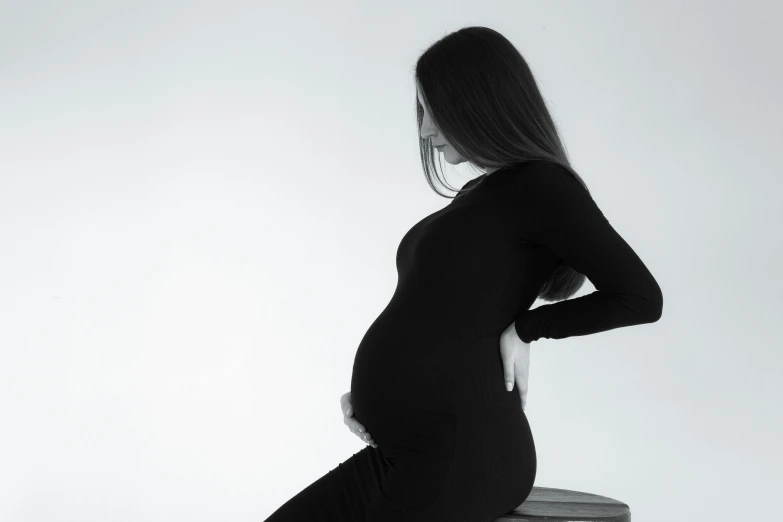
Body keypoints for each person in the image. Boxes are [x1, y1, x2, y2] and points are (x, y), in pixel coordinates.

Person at [264, 25, 663, 522]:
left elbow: (640, 298)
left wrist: (526, 330)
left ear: (478, 105)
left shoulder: (542, 185)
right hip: (408, 451)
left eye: (433, 110)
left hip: (461, 458)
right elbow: (441, 312)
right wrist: (372, 397)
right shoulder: (480, 194)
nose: (426, 130)